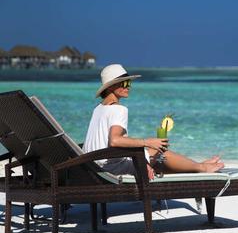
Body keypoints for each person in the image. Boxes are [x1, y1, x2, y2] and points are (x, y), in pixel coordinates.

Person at [83, 64, 224, 180]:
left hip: (93, 165)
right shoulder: (119, 109)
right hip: (110, 168)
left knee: (151, 154)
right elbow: (115, 141)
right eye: (125, 83)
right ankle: (201, 168)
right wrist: (147, 141)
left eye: (129, 82)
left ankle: (196, 166)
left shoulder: (98, 109)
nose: (129, 86)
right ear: (111, 87)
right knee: (160, 152)